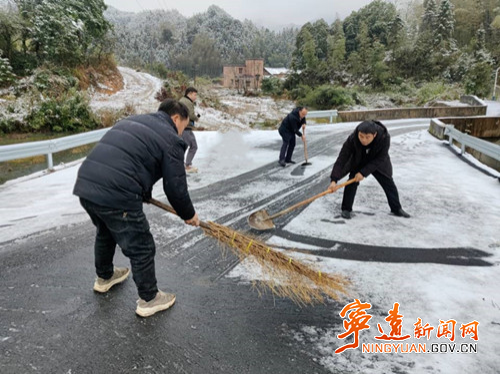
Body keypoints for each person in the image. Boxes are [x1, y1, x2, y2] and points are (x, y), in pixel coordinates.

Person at [73, 99, 200, 318]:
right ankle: (149, 298)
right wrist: (189, 214)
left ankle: (105, 277)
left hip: (87, 185)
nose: (182, 133)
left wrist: (143, 193)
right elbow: (175, 186)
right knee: (141, 245)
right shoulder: (171, 139)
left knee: (106, 232)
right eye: (184, 126)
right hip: (117, 193)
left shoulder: (133, 121)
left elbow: (132, 159)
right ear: (176, 118)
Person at [328, 120, 410, 219]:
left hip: (377, 161)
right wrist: (334, 180)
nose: (364, 140)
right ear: (358, 133)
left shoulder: (384, 137)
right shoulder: (352, 138)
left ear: (374, 135)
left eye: (367, 137)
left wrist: (363, 173)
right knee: (352, 181)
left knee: (388, 182)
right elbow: (341, 159)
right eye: (361, 136)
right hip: (359, 159)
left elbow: (381, 157)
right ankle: (346, 208)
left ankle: (396, 208)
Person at [179, 87, 201, 173]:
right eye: (195, 95)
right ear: (190, 94)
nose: (195, 97)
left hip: (185, 127)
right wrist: (196, 118)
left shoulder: (183, 100)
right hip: (185, 127)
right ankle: (186, 165)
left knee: (191, 146)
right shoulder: (187, 102)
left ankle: (186, 164)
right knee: (190, 146)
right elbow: (191, 115)